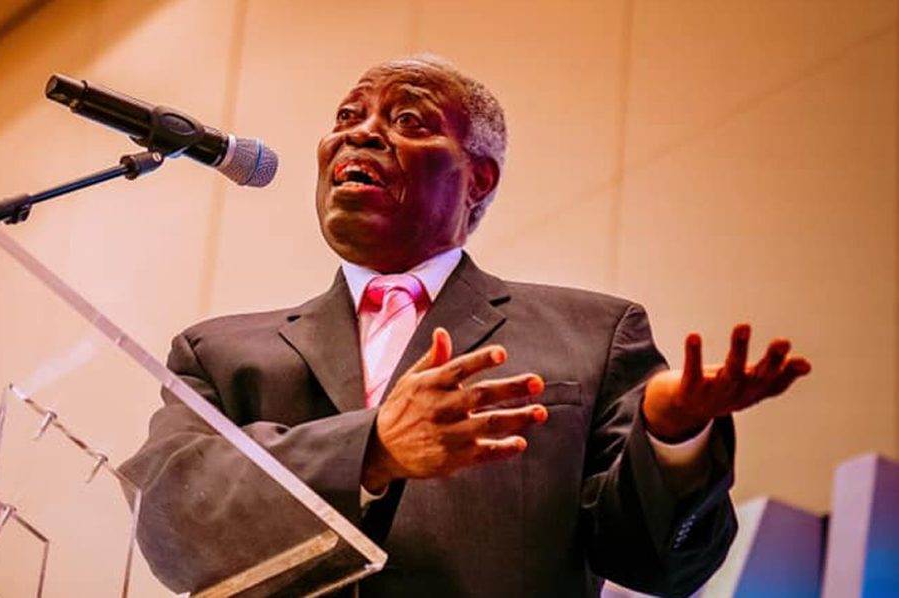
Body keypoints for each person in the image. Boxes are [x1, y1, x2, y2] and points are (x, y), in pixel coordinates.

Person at [120, 55, 811, 597]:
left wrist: (671, 439)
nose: (362, 132)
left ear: (478, 179)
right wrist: (371, 450)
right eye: (348, 115)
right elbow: (171, 521)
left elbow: (662, 565)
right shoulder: (219, 353)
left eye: (409, 120)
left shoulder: (594, 336)